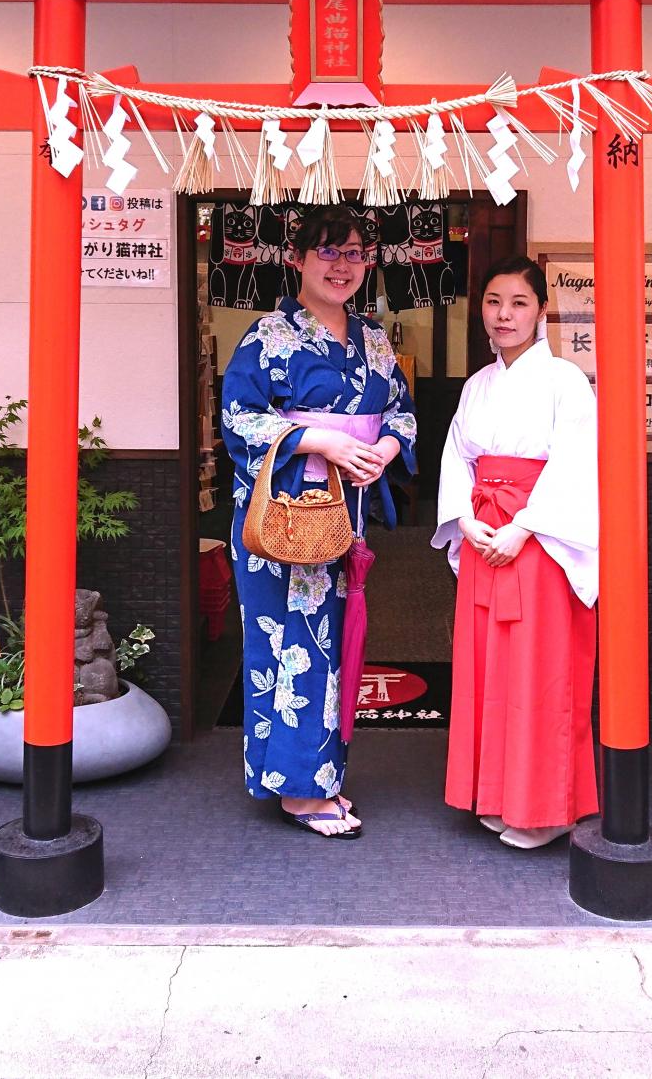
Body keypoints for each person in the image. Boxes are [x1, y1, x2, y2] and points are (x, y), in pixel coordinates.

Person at [221, 205, 417, 838]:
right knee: (288, 646)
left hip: (343, 514)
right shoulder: (267, 336)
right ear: (297, 260)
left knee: (332, 645)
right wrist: (320, 442)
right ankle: (299, 791)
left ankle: (323, 777)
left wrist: (384, 449)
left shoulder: (375, 339)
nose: (342, 266)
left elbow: (400, 415)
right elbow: (241, 420)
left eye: (355, 253)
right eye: (328, 252)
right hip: (283, 518)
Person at [434, 255, 599, 848]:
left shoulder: (566, 381)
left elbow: (577, 465)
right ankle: (497, 793)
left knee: (541, 673)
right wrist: (465, 518)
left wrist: (525, 527)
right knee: (488, 672)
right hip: (485, 534)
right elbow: (458, 456)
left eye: (519, 303)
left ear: (542, 311)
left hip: (540, 542)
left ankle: (547, 809)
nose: (504, 315)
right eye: (494, 302)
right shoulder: (479, 385)